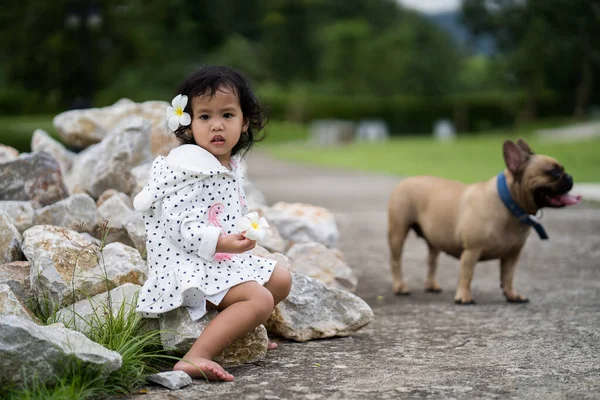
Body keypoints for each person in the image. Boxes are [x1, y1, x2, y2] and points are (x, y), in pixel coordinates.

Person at [133, 65, 292, 381]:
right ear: (188, 124)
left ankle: (240, 329)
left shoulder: (228, 164)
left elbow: (225, 210)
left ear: (245, 122)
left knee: (281, 278)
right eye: (205, 117)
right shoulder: (189, 169)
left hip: (217, 261)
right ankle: (196, 356)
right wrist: (223, 241)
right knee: (259, 299)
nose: (216, 125)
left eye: (227, 116)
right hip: (188, 266)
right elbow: (179, 226)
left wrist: (239, 235)